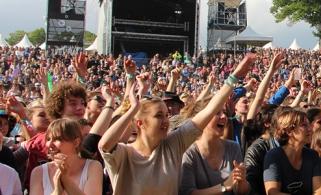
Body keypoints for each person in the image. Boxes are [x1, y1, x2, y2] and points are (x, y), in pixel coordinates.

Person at [98, 53, 256, 194]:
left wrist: (234, 77)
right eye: (159, 115)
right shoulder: (124, 154)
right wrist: (134, 108)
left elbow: (208, 111)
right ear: (140, 123)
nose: (166, 120)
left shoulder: (172, 145)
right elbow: (104, 145)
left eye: (167, 115)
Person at [179, 109, 249, 195]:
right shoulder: (188, 153)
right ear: (203, 119)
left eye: (224, 113)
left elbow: (242, 192)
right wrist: (224, 186)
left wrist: (242, 180)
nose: (224, 116)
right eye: (217, 113)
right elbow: (187, 193)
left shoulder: (233, 147)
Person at [29, 119, 103, 195]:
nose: (49, 145)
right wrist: (57, 192)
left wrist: (66, 180)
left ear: (76, 143)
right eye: (48, 139)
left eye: (57, 139)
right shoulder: (39, 172)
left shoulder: (93, 166)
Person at [263, 109, 321, 194]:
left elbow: (320, 190)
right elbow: (273, 192)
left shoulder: (312, 155)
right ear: (289, 131)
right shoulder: (274, 156)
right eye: (304, 125)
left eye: (309, 125)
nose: (310, 129)